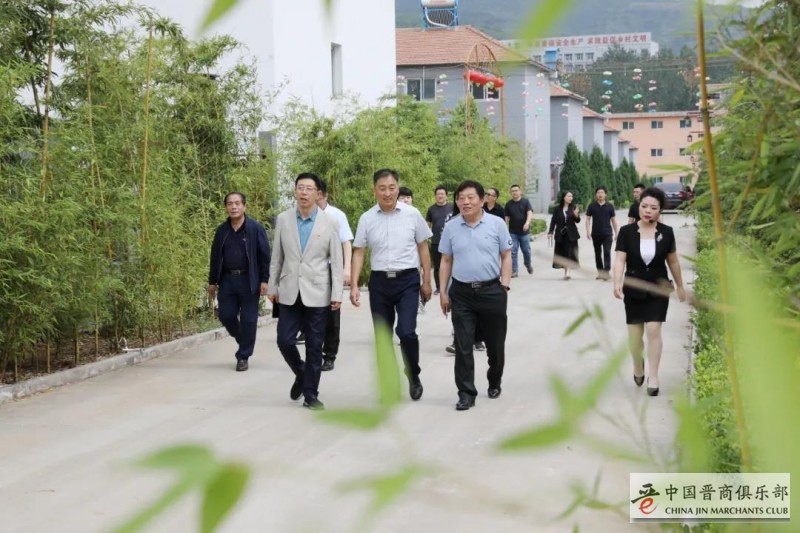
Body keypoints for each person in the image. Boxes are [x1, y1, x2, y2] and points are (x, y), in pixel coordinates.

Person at [350, 169, 433, 401]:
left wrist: (427, 280)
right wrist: (354, 285)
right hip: (379, 283)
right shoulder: (367, 218)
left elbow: (423, 247)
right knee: (382, 336)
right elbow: (359, 252)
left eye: (392, 188)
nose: (387, 193)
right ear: (375, 190)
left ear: (398, 188)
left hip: (407, 281)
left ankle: (413, 374)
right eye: (382, 188)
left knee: (406, 332)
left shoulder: (412, 214)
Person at [268, 173, 343, 410]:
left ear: (318, 194)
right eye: (300, 187)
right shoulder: (284, 219)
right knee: (284, 340)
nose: (303, 192)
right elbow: (277, 257)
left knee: (314, 345)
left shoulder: (330, 221)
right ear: (295, 191)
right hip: (289, 290)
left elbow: (337, 261)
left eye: (309, 189)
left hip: (318, 291)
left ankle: (311, 394)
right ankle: (301, 373)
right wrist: (272, 286)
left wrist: (337, 293)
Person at [439, 180, 512, 410]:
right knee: (463, 345)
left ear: (482, 200)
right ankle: (466, 393)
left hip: (492, 291)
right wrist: (443, 292)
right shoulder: (451, 227)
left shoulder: (496, 224)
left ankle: (494, 380)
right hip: (461, 293)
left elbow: (506, 255)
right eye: (461, 198)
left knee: (495, 345)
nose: (465, 202)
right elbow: (446, 260)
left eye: (471, 197)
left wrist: (505, 286)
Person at [613, 186, 686, 397]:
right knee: (635, 338)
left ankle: (653, 377)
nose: (648, 211)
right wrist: (617, 281)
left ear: (660, 210)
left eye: (653, 208)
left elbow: (673, 261)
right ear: (639, 206)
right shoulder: (626, 232)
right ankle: (638, 366)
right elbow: (620, 260)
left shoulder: (667, 232)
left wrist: (680, 285)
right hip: (633, 288)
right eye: (644, 206)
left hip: (658, 288)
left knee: (654, 329)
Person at [208, 192, 271, 372]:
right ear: (226, 207)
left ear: (244, 206)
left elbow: (265, 256)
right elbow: (215, 257)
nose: (234, 207)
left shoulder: (255, 228)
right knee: (226, 315)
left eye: (237, 203)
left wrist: (265, 280)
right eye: (230, 204)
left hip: (249, 280)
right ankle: (244, 340)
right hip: (227, 280)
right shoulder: (222, 231)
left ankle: (243, 356)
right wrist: (212, 281)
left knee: (249, 320)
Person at [316, 178, 353, 372]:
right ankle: (314, 353)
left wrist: (347, 269)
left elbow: (346, 242)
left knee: (332, 314)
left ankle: (329, 355)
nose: (316, 200)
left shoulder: (337, 215)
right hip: (311, 271)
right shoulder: (301, 216)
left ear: (325, 196)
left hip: (331, 269)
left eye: (319, 197)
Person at [398, 186, 427, 315]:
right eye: (402, 198)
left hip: (413, 260)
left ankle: (417, 304)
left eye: (408, 197)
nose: (405, 200)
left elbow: (423, 244)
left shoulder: (415, 215)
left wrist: (423, 265)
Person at [585, 186, 619, 280]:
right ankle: (600, 272)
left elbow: (613, 220)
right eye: (598, 192)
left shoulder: (610, 206)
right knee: (597, 253)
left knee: (607, 252)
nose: (600, 194)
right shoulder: (592, 206)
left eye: (602, 192)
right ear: (596, 194)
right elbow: (588, 219)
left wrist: (617, 232)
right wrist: (588, 231)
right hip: (596, 234)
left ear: (605, 194)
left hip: (607, 234)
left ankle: (606, 272)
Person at [425, 186, 453, 296]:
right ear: (435, 196)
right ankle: (439, 287)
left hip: (451, 242)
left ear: (446, 195)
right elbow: (427, 225)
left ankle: (450, 286)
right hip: (436, 241)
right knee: (437, 266)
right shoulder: (431, 209)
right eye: (438, 194)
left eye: (442, 194)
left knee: (451, 264)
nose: (440, 196)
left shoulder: (452, 207)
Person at [547, 190, 581, 280]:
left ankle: (568, 272)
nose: (571, 198)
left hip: (571, 235)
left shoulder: (574, 208)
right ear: (564, 198)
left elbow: (577, 220)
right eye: (569, 196)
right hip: (561, 234)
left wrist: (576, 215)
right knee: (563, 253)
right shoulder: (557, 209)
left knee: (569, 252)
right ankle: (566, 271)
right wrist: (550, 232)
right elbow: (553, 221)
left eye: (571, 196)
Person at [504, 184, 534, 277]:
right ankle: (514, 271)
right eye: (512, 191)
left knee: (526, 251)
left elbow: (529, 213)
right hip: (513, 232)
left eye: (516, 190)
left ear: (520, 191)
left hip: (524, 232)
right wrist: (504, 228)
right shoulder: (508, 204)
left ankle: (528, 264)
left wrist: (527, 223)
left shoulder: (525, 202)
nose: (514, 192)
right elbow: (506, 218)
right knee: (513, 251)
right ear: (511, 193)